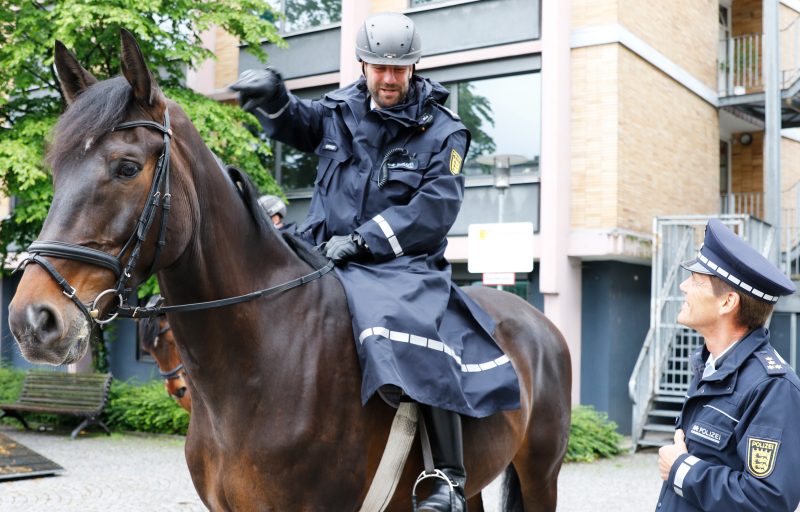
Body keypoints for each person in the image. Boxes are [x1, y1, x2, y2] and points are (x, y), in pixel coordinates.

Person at [231, 12, 520, 511]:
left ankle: (446, 478)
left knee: (405, 321)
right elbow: (300, 125)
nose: (389, 78)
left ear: (414, 68)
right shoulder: (339, 109)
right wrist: (276, 99)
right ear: (363, 64)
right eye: (379, 67)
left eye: (399, 68)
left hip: (400, 265)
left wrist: (364, 241)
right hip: (323, 249)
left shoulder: (444, 132)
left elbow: (434, 209)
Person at [656, 218, 800, 511]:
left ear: (727, 303)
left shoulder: (773, 387)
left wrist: (683, 471)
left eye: (695, 280)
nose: (683, 286)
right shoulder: (709, 367)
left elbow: (767, 500)